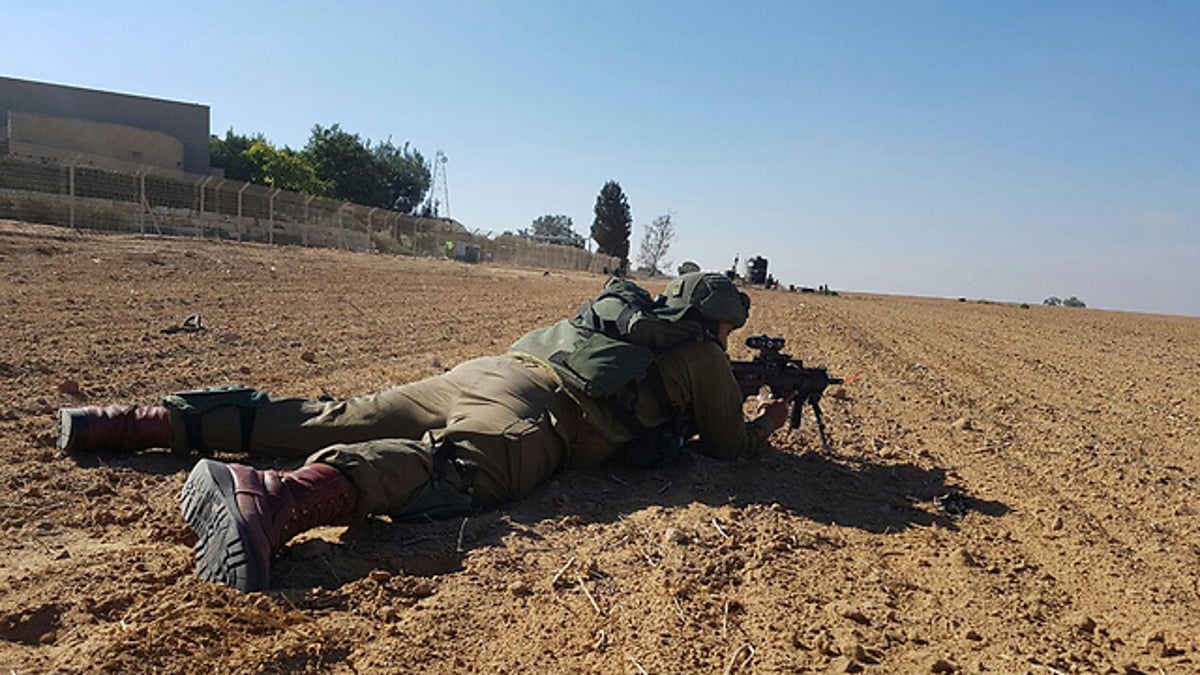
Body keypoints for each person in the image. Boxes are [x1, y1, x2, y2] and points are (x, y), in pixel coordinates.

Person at [57, 272, 789, 592]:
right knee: (452, 469)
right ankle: (273, 498)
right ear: (721, 324)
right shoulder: (700, 358)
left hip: (487, 368)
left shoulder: (621, 314)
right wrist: (770, 420)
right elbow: (731, 447)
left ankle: (126, 422)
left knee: (329, 413)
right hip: (539, 414)